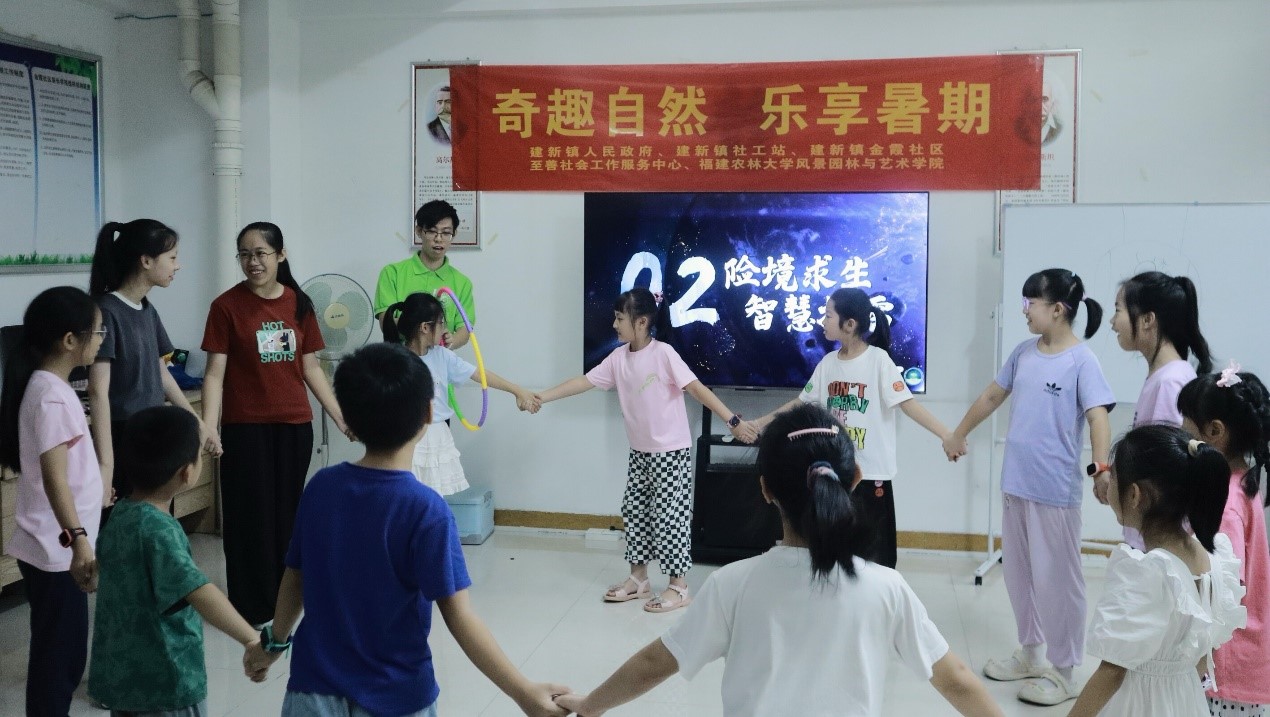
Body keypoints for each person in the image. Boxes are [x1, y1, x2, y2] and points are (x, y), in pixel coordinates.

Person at [553, 403, 1004, 717]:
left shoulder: (733, 584)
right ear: (854, 479)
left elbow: (655, 663)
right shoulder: (887, 588)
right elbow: (957, 680)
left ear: (765, 489)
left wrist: (591, 705)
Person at [247, 342, 570, 717]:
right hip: (397, 695)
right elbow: (460, 617)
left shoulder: (321, 486)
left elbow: (295, 576)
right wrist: (522, 691)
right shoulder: (426, 510)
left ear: (347, 418)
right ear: (429, 414)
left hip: (312, 690)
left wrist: (273, 644)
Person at [943, 268, 1114, 706]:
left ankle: (1065, 670)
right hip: (1016, 485)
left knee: (1059, 581)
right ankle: (1032, 652)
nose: (1024, 311)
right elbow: (991, 396)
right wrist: (958, 433)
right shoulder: (1023, 353)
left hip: (1055, 491)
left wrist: (1101, 468)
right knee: (1020, 575)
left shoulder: (1082, 361)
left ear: (1057, 310)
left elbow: (1098, 416)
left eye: (1029, 304)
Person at [537, 287, 756, 613]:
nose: (614, 325)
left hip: (670, 453)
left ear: (641, 322)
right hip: (639, 452)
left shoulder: (663, 354)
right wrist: (541, 397)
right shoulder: (618, 358)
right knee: (636, 511)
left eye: (620, 318)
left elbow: (696, 388)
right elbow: (584, 382)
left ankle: (679, 587)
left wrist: (732, 420)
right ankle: (638, 579)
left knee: (670, 517)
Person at [200, 221, 348, 626]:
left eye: (261, 253)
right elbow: (214, 373)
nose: (253, 262)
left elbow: (311, 368)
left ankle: (288, 599)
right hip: (245, 428)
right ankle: (251, 606)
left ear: (280, 255)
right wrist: (209, 425)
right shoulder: (226, 306)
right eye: (245, 254)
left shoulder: (299, 304)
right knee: (250, 516)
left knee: (288, 515)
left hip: (294, 426)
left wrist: (339, 415)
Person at [746, 287, 956, 569]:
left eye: (828, 315)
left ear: (849, 324)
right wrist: (759, 423)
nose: (822, 321)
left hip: (872, 475)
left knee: (877, 558)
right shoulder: (828, 364)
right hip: (838, 472)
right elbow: (800, 403)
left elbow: (907, 404)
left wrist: (946, 435)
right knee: (837, 549)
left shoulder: (878, 361)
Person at [88, 406, 267, 715]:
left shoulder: (120, 515)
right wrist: (251, 639)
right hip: (166, 681)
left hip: (122, 680)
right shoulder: (158, 530)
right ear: (187, 472)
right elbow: (198, 590)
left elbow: (102, 565)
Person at [1069, 424, 1247, 717]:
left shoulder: (1145, 571)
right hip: (1186, 699)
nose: (1108, 485)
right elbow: (1204, 653)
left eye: (1113, 478)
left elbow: (1112, 671)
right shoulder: (1215, 559)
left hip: (1139, 704)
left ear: (1134, 495)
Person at [0, 286, 105, 717]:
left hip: (55, 545)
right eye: (97, 332)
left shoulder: (50, 387)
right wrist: (78, 539)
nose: (101, 340)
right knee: (59, 659)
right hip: (56, 548)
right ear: (69, 340)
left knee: (62, 653)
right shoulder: (50, 396)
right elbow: (54, 477)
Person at [87, 219, 218, 517]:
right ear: (146, 261)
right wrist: (106, 464)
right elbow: (97, 391)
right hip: (124, 435)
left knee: (155, 519)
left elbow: (162, 374)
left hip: (153, 431)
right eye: (172, 258)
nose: (177, 266)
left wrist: (199, 423)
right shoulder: (106, 310)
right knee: (124, 524)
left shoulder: (147, 309)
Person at [1177, 365, 1270, 717]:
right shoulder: (1242, 481)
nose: (1180, 437)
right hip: (1245, 660)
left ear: (1214, 432)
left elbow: (1220, 590)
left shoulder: (1226, 503)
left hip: (1225, 668)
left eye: (1185, 428)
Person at [381, 291, 539, 495]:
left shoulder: (443, 356)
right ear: (425, 328)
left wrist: (517, 390)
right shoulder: (396, 360)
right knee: (406, 494)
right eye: (441, 323)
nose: (445, 329)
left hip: (437, 436)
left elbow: (479, 374)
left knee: (434, 497)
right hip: (406, 436)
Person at [1108, 270, 1213, 548]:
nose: (1112, 322)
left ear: (1147, 320)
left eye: (1118, 310)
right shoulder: (1164, 376)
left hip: (1155, 535)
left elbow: (1162, 468)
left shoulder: (1170, 382)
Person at [374, 200, 475, 350]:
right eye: (432, 231)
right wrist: (426, 331)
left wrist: (451, 340)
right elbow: (386, 322)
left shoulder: (462, 283)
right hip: (401, 358)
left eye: (446, 233)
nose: (439, 239)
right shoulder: (392, 273)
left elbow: (465, 329)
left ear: (454, 234)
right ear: (419, 231)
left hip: (441, 360)